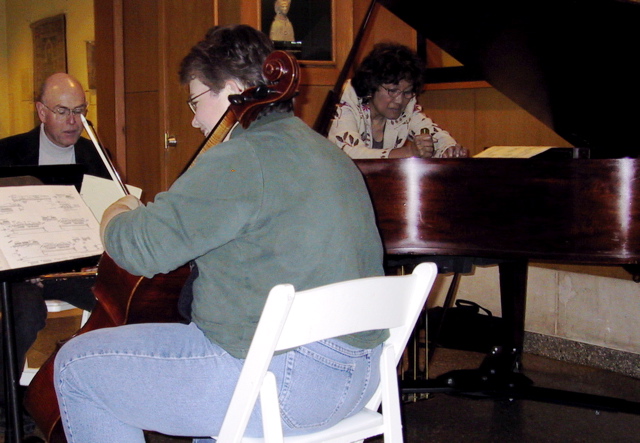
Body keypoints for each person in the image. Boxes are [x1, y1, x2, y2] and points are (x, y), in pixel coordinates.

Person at [53, 24, 386, 441]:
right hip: (360, 377)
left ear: (230, 89)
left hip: (283, 385)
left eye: (196, 101)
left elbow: (140, 249)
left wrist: (114, 213)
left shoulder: (242, 156)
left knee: (75, 366)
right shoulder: (325, 152)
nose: (194, 120)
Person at [0, 73, 109, 430]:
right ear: (41, 111)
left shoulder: (97, 156)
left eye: (80, 111)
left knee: (117, 301)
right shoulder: (7, 152)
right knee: (23, 312)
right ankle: (10, 405)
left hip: (73, 268)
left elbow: (106, 211)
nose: (74, 122)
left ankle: (83, 390)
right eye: (63, 111)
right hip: (20, 270)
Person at [328, 42, 469, 159]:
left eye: (407, 92)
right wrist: (409, 152)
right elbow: (349, 155)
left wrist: (449, 149)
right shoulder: (348, 97)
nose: (399, 100)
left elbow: (435, 135)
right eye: (392, 90)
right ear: (372, 85)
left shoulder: (408, 103)